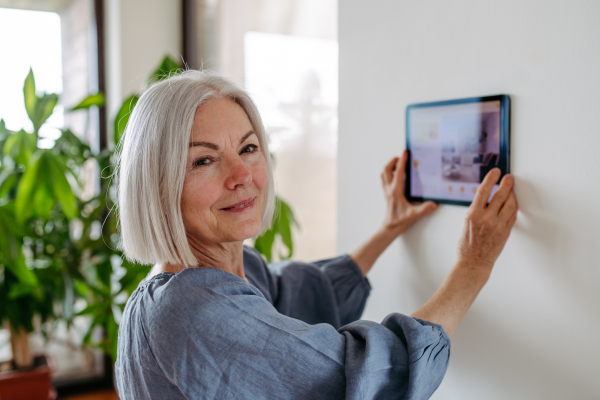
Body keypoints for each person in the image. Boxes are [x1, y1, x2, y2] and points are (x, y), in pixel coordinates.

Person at [115, 71, 518, 400]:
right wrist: (474, 263)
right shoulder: (190, 310)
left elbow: (306, 293)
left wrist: (388, 230)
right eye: (204, 160)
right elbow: (355, 378)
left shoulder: (229, 270)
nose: (242, 176)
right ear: (158, 184)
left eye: (249, 148)